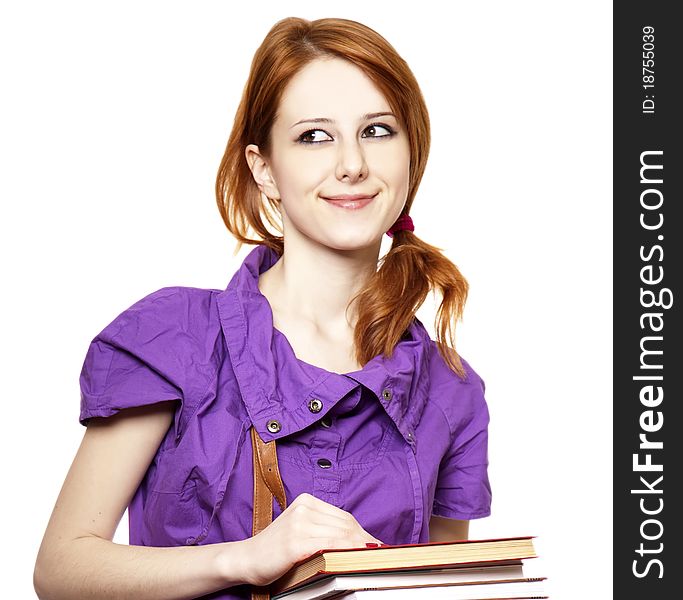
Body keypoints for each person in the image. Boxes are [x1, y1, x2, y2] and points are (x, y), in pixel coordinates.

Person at [33, 16, 491, 600]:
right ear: (264, 169)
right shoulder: (174, 337)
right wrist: (245, 559)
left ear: (410, 156)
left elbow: (439, 587)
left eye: (378, 130)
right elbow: (61, 570)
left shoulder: (450, 389)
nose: (352, 163)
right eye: (314, 136)